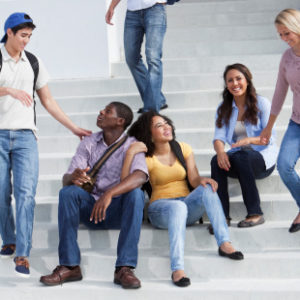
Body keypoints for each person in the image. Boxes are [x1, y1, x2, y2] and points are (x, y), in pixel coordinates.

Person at [0, 12, 91, 277]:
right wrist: (8, 90)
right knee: (1, 193)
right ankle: (9, 239)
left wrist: (73, 127)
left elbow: (48, 101)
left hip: (26, 136)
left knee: (26, 195)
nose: (26, 41)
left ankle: (23, 255)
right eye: (22, 36)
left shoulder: (33, 62)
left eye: (29, 36)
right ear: (9, 33)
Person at [122, 111, 243, 288]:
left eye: (166, 123)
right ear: (149, 135)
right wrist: (130, 154)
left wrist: (203, 181)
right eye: (159, 126)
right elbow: (125, 182)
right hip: (161, 209)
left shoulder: (183, 148)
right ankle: (177, 269)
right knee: (177, 207)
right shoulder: (146, 157)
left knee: (207, 188)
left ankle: (224, 242)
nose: (166, 127)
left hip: (186, 206)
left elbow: (194, 180)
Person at [40, 102, 148, 289]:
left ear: (120, 121)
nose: (101, 112)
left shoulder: (132, 144)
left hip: (116, 210)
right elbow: (66, 179)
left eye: (107, 111)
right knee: (68, 192)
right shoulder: (89, 142)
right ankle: (70, 265)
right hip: (90, 209)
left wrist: (110, 194)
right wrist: (72, 177)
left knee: (136, 194)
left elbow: (139, 176)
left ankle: (124, 268)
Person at [210, 63, 278, 231]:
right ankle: (222, 217)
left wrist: (247, 141)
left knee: (242, 156)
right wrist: (220, 153)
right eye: (230, 80)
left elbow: (267, 137)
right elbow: (218, 137)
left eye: (238, 78)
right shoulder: (223, 107)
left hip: (262, 158)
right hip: (239, 157)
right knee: (215, 161)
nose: (235, 84)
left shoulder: (261, 103)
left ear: (247, 80)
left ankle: (255, 213)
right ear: (226, 84)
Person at [260, 9, 300, 233]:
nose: (285, 39)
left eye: (287, 33)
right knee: (284, 166)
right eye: (280, 35)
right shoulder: (287, 58)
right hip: (297, 123)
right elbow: (279, 92)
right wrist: (269, 126)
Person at [105, 0, 168, 113]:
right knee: (131, 58)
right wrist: (112, 6)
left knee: (153, 57)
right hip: (132, 12)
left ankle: (151, 108)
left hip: (155, 10)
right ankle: (158, 99)